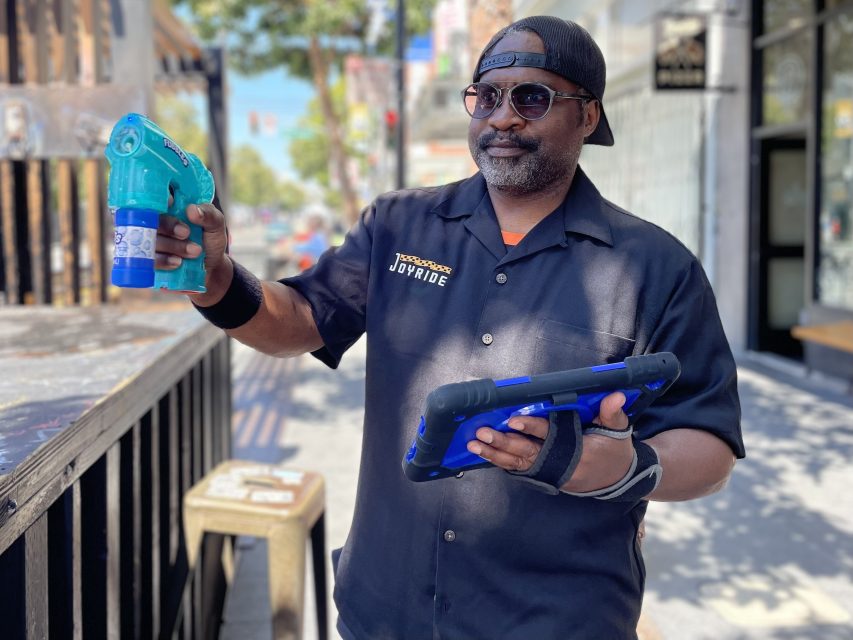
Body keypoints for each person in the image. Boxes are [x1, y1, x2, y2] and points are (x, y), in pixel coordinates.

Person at [156, 16, 744, 640]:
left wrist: (627, 469)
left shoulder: (655, 266)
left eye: (532, 98)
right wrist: (213, 278)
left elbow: (708, 449)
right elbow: (298, 321)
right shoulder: (399, 225)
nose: (503, 118)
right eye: (487, 96)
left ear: (588, 117)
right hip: (386, 610)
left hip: (558, 621)